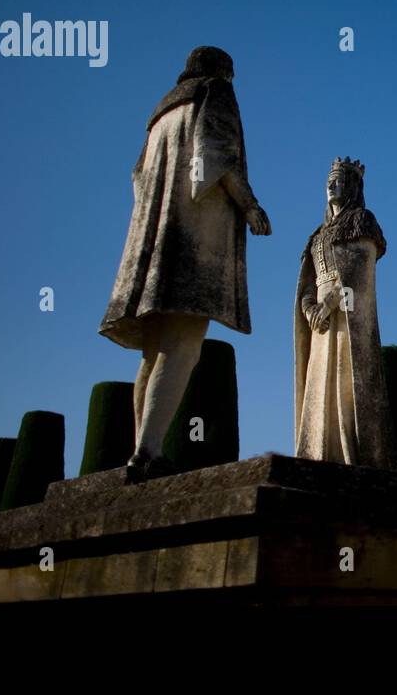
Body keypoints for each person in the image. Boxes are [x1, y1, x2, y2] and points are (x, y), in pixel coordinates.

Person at [99, 45, 271, 482]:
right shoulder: (216, 91)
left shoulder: (161, 112)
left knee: (155, 347)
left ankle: (143, 447)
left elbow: (138, 179)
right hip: (194, 238)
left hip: (154, 242)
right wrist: (250, 207)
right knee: (185, 343)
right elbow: (216, 156)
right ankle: (148, 451)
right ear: (225, 72)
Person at [293, 158, 397, 469]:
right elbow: (309, 282)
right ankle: (317, 452)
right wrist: (310, 307)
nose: (330, 185)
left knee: (346, 384)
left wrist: (327, 306)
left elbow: (356, 274)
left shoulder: (361, 222)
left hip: (346, 319)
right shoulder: (317, 234)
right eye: (328, 179)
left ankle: (347, 455)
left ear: (351, 185)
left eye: (337, 179)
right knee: (318, 386)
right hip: (320, 323)